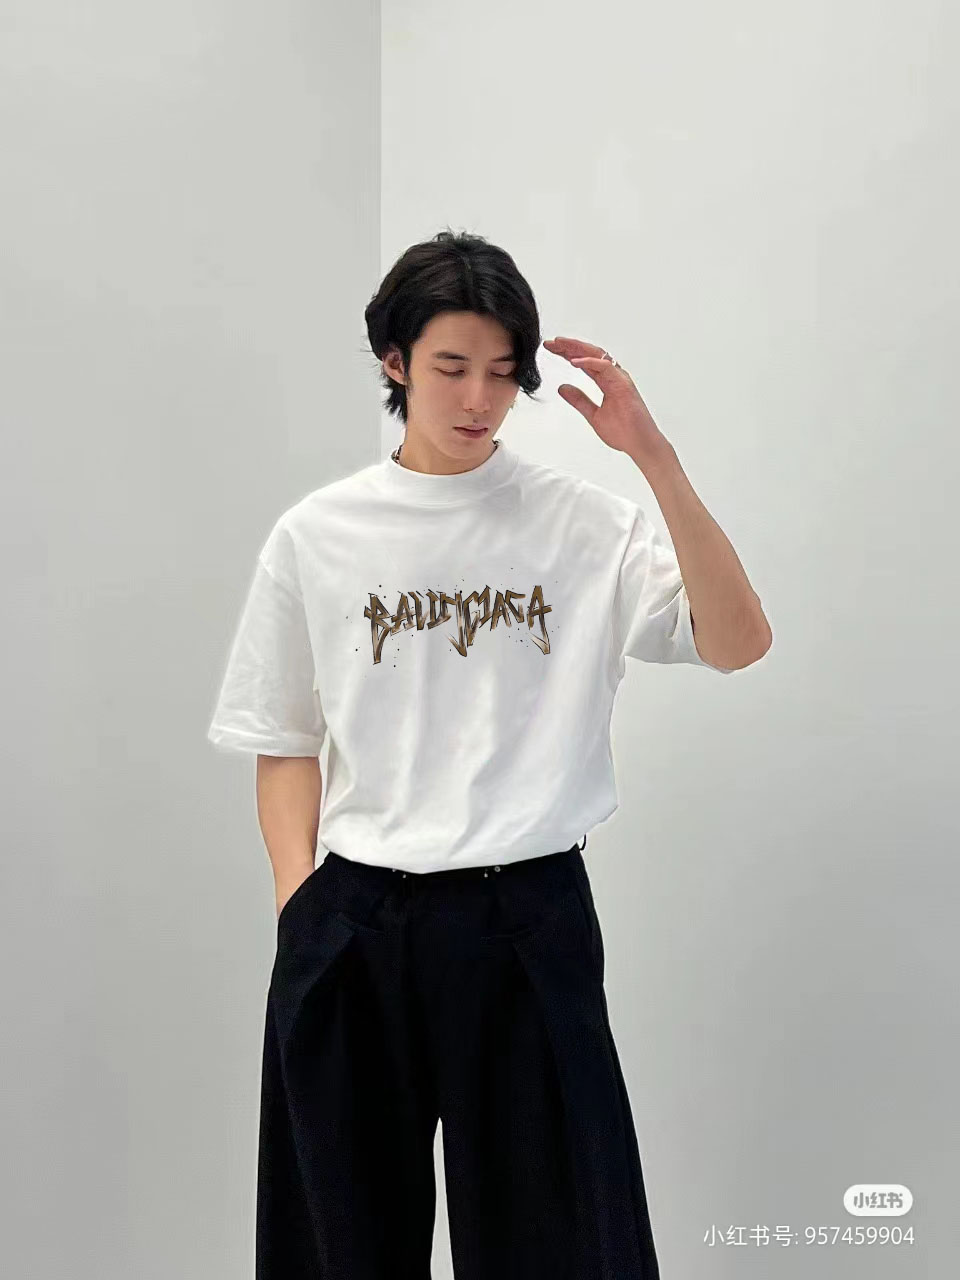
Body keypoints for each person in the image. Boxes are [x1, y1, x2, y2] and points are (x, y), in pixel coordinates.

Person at [207, 228, 771, 1279]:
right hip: (358, 920)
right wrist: (299, 904)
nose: (479, 399)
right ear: (394, 361)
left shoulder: (584, 525)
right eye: (451, 367)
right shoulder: (318, 535)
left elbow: (738, 641)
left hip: (526, 918)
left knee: (560, 1244)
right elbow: (282, 738)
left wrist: (653, 456)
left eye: (504, 373)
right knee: (337, 1244)